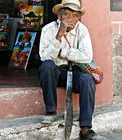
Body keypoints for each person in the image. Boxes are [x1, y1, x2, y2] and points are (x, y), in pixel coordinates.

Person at [38, 0, 98, 139]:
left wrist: (63, 52)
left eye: (75, 15)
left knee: (87, 79)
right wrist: (59, 34)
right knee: (47, 66)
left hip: (74, 70)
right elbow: (45, 56)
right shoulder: (48, 29)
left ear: (78, 18)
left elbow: (86, 56)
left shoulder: (82, 29)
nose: (71, 19)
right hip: (55, 72)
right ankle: (50, 112)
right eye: (67, 14)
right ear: (60, 16)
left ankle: (85, 129)